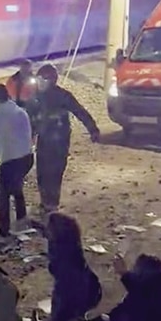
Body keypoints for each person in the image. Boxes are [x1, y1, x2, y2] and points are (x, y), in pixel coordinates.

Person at [29, 64, 101, 214]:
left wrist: (93, 129)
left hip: (59, 143)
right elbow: (32, 117)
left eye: (42, 80)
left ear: (51, 81)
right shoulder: (36, 97)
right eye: (38, 80)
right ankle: (45, 202)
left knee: (55, 173)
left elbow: (80, 111)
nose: (39, 83)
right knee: (42, 172)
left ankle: (52, 204)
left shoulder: (63, 96)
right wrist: (30, 135)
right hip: (44, 141)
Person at [42, 213, 102, 321]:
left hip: (72, 304)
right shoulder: (72, 250)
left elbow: (66, 299)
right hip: (83, 297)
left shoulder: (65, 263)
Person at [0, 84, 34, 238]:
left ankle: (4, 231)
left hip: (12, 161)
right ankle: (21, 220)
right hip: (27, 158)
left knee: (3, 195)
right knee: (17, 187)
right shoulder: (21, 112)